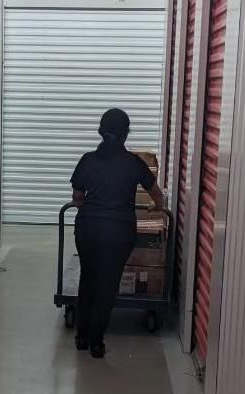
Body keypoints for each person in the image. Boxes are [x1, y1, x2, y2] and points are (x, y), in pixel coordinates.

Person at [70, 108, 164, 358]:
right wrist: (158, 207)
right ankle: (96, 342)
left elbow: (78, 198)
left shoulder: (87, 160)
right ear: (125, 134)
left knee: (88, 279)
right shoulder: (134, 163)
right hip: (118, 233)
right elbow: (157, 194)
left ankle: (81, 336)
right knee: (107, 285)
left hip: (88, 230)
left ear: (102, 131)